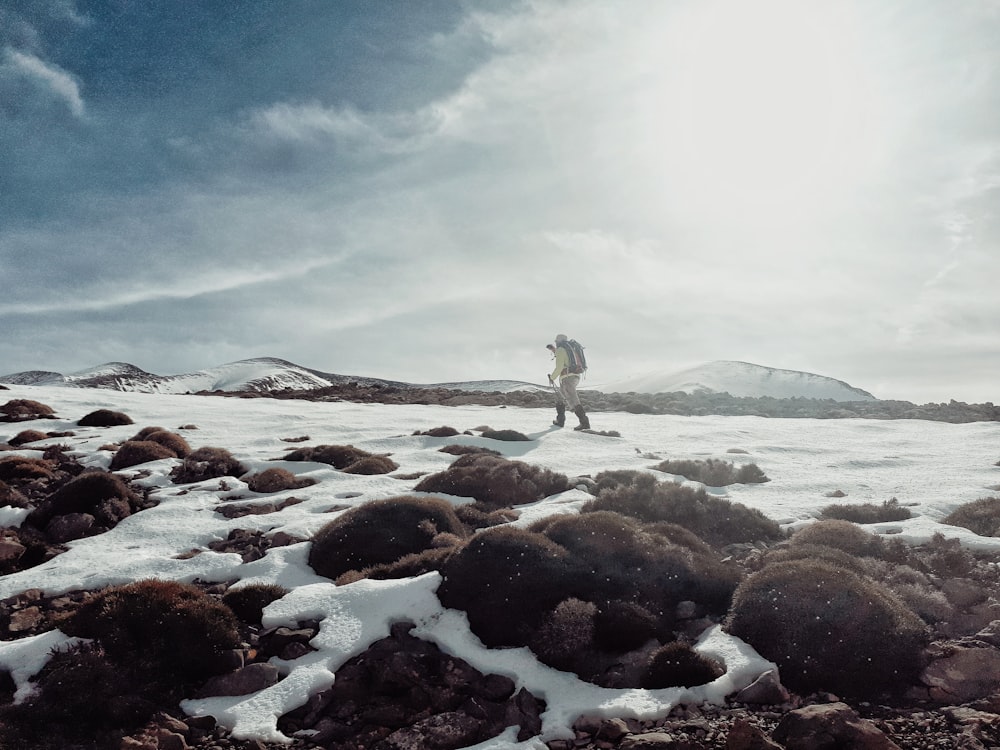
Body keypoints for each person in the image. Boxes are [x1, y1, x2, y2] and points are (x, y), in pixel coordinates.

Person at [547, 334, 590, 430]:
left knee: (573, 399)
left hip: (567, 378)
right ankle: (560, 420)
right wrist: (553, 350)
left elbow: (559, 367)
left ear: (558, 341)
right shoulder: (571, 349)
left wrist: (552, 377)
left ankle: (584, 423)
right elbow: (566, 358)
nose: (556, 343)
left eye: (556, 341)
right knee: (560, 398)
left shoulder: (561, 350)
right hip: (575, 376)